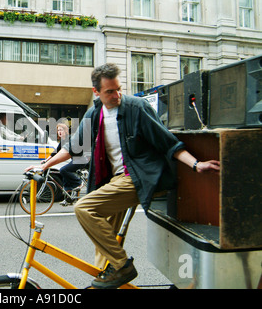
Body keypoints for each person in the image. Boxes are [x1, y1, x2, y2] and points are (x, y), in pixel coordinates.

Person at [26, 63, 220, 289]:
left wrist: (196, 165)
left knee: (84, 208)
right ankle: (110, 273)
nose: (117, 95)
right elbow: (73, 147)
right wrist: (44, 166)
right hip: (112, 180)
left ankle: (123, 266)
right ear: (96, 92)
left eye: (119, 89)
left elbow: (168, 143)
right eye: (110, 91)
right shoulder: (95, 113)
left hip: (137, 178)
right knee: (102, 250)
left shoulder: (136, 108)